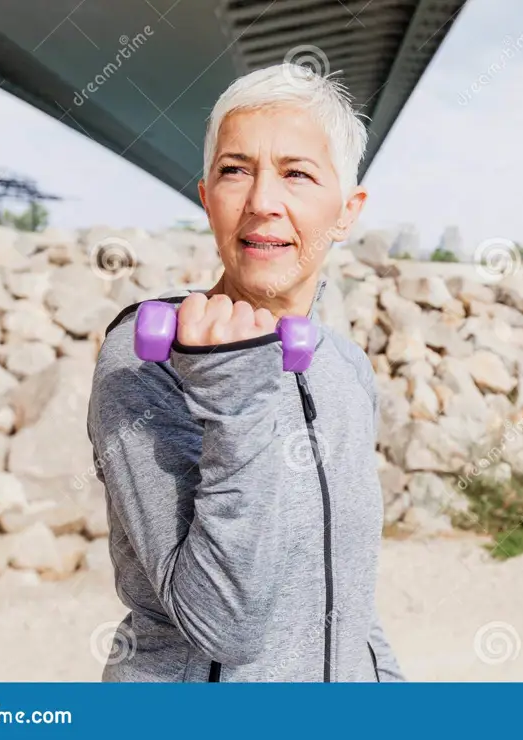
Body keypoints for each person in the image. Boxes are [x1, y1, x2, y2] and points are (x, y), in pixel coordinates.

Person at [87, 64, 404, 682]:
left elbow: (353, 605)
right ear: (208, 200)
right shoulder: (148, 357)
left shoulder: (346, 368)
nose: (262, 202)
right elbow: (224, 625)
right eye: (235, 171)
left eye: (297, 174)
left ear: (346, 212)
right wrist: (230, 393)